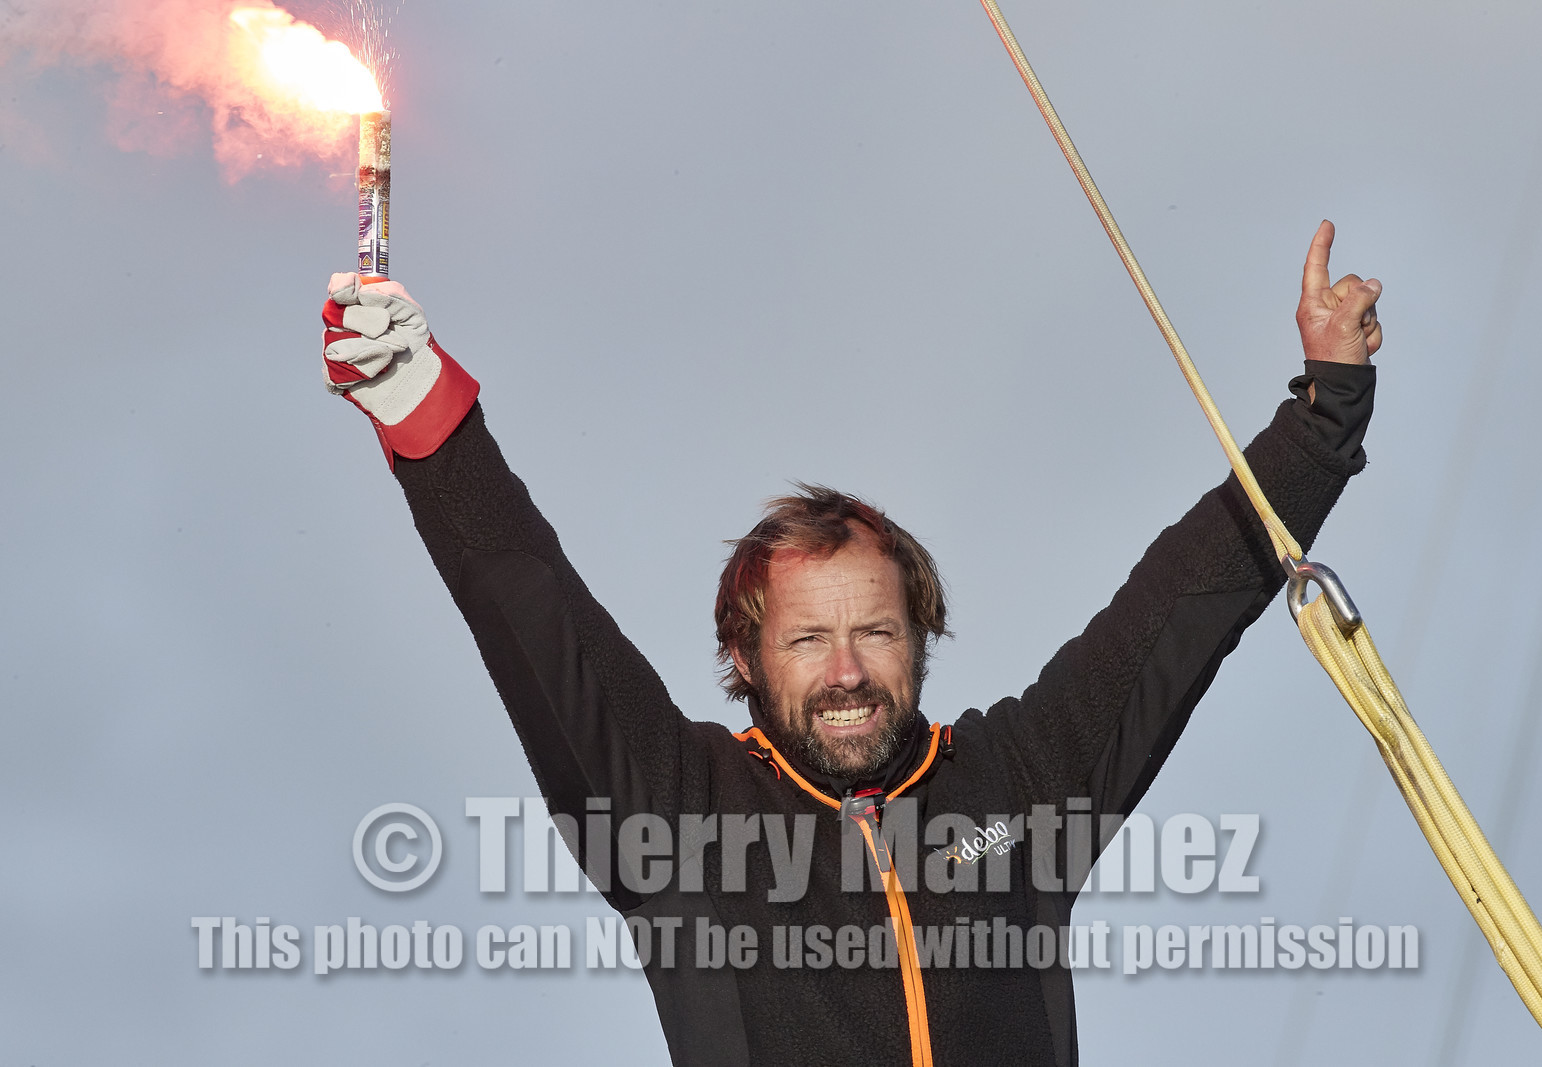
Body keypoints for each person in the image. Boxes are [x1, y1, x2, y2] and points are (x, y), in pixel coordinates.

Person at [318, 220, 1382, 1066]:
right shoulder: (674, 809)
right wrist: (427, 416)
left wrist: (1322, 414)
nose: (844, 671)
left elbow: (1181, 601)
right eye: (807, 638)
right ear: (745, 658)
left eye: (874, 630)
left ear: (917, 639)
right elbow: (534, 616)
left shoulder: (1015, 782)